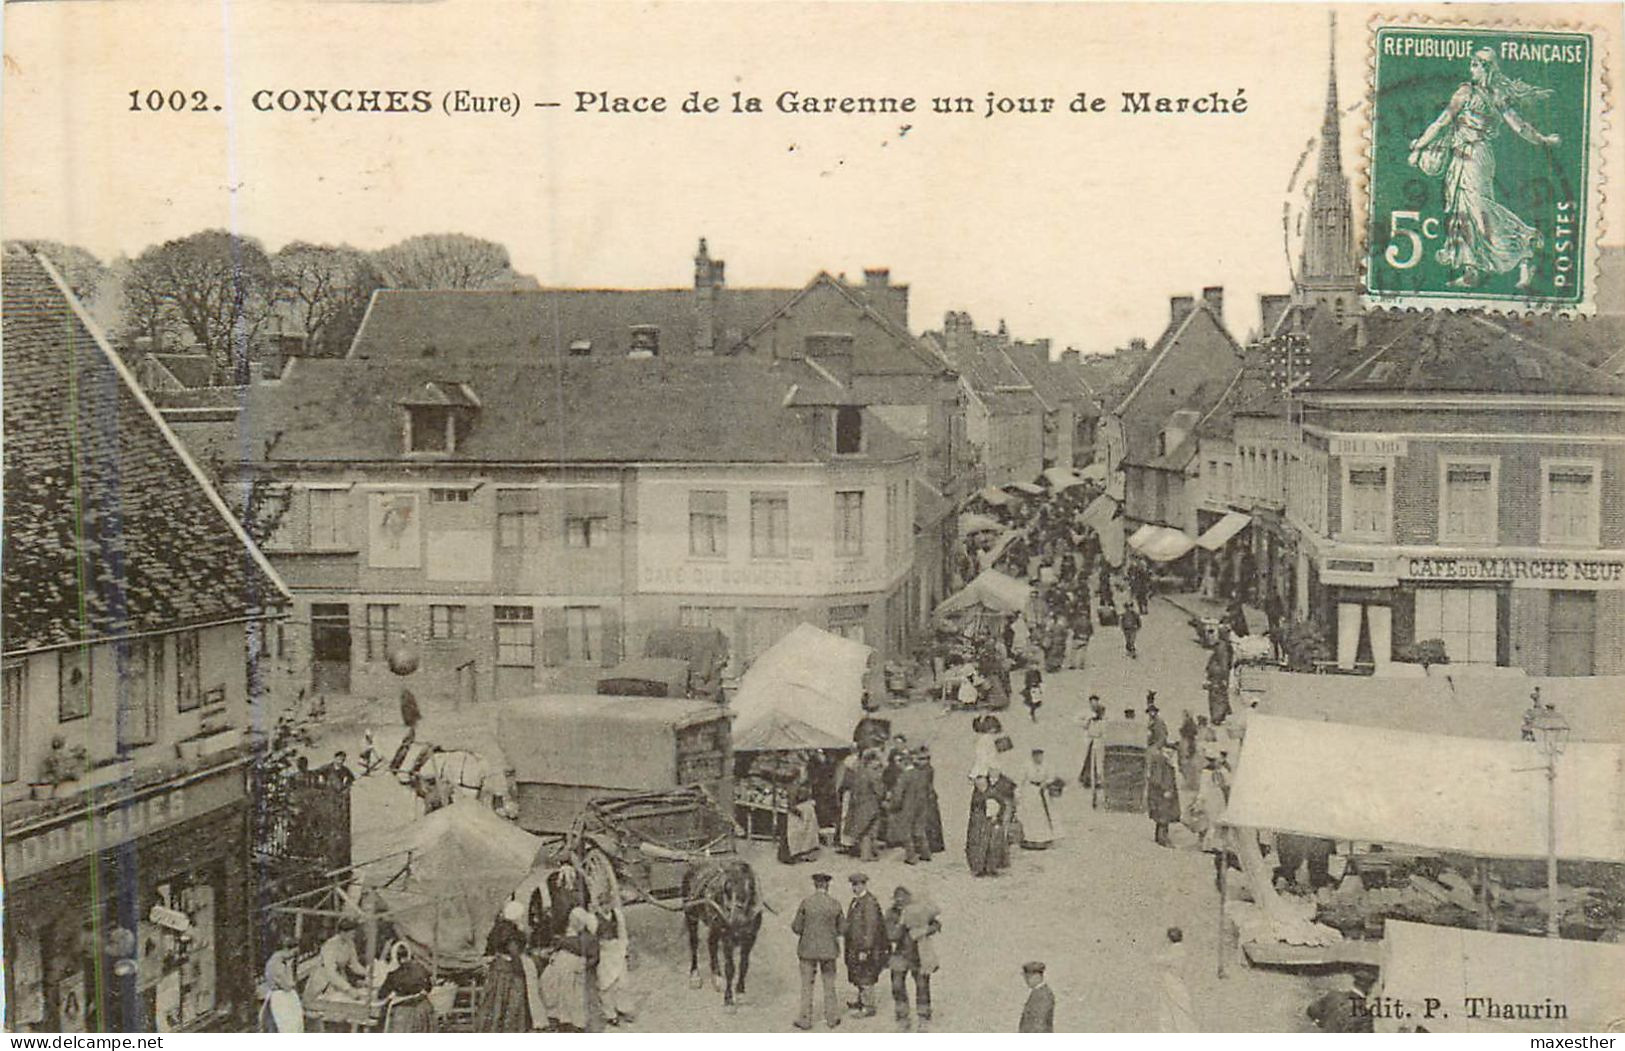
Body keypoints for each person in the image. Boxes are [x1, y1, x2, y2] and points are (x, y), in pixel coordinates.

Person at [1408, 47, 1558, 290]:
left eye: (1475, 65)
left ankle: (1526, 244)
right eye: (1471, 65)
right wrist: (1542, 139)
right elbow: (1443, 123)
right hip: (1462, 158)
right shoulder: (1479, 93)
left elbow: (1442, 123)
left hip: (1475, 157)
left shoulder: (1477, 94)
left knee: (1479, 210)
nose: (1472, 69)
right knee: (1461, 211)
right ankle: (1471, 272)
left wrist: (1418, 146)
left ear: (1485, 68)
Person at [790, 872, 844, 1030]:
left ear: (815, 885)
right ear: (828, 885)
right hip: (829, 951)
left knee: (807, 985)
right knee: (829, 984)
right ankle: (832, 1018)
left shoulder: (806, 903)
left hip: (807, 951)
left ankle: (805, 1019)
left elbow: (796, 927)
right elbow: (842, 928)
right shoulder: (835, 904)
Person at [886, 886, 938, 1032]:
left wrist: (926, 930)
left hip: (918, 954)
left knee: (922, 985)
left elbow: (935, 923)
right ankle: (902, 1017)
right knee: (897, 986)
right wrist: (902, 923)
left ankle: (923, 1018)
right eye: (898, 900)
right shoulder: (891, 914)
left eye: (904, 900)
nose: (901, 902)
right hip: (899, 954)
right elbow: (892, 935)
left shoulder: (918, 910)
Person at [476, 900, 533, 1032]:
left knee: (494, 1002)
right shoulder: (510, 931)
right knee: (509, 1003)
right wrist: (520, 972)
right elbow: (514, 952)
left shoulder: (499, 927)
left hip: (497, 968)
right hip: (508, 970)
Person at [542, 907, 599, 1033]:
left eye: (576, 921)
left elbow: (594, 957)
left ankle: (576, 1024)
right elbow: (555, 950)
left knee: (576, 998)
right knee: (562, 995)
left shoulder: (587, 938)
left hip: (576, 971)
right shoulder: (566, 937)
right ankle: (563, 1021)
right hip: (563, 971)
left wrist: (584, 965)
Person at [841, 873, 886, 1018]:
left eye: (857, 885)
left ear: (864, 885)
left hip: (865, 947)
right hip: (854, 945)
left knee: (866, 974)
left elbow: (871, 928)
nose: (855, 888)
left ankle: (868, 1007)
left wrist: (866, 949)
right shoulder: (856, 901)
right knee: (858, 973)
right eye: (853, 885)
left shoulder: (869, 902)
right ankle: (861, 1001)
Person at [301, 920, 368, 1017]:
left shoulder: (350, 944)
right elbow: (330, 972)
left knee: (339, 1008)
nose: (353, 935)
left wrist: (368, 973)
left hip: (338, 978)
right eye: (351, 933)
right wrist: (348, 989)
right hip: (323, 978)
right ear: (342, 932)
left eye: (354, 933)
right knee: (318, 1008)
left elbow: (354, 964)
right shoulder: (330, 945)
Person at [377, 941, 436, 1032]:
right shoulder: (421, 968)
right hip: (423, 1009)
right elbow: (429, 988)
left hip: (405, 1012)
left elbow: (381, 995)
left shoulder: (394, 974)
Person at [594, 902, 635, 1027]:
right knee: (606, 984)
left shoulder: (617, 914)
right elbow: (592, 937)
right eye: (603, 903)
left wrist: (626, 949)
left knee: (622, 982)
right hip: (603, 952)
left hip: (617, 950)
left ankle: (623, 1007)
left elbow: (622, 932)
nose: (606, 906)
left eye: (608, 902)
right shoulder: (593, 918)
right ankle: (610, 1014)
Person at [893, 752, 933, 865]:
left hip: (908, 806)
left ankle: (911, 857)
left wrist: (893, 806)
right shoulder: (922, 774)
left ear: (903, 763)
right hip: (922, 805)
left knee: (906, 831)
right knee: (919, 830)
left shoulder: (904, 776)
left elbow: (898, 795)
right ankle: (926, 853)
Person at [844, 751, 884, 862]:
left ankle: (866, 853)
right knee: (869, 830)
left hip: (859, 804)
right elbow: (878, 790)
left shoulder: (859, 772)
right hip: (870, 804)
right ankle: (866, 855)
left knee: (864, 830)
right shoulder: (872, 773)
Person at [1017, 748, 1060, 849]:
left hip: (1042, 791)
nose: (1038, 758)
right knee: (1031, 816)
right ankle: (1030, 839)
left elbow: (1052, 776)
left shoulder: (1047, 765)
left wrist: (1046, 782)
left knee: (1043, 816)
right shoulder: (1026, 765)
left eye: (1040, 756)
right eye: (1036, 756)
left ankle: (1045, 839)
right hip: (1030, 792)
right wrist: (1019, 793)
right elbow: (1020, 780)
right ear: (1033, 756)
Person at [1155, 928, 1197, 1032]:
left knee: (1171, 1010)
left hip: (1171, 982)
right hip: (1176, 982)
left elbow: (1160, 960)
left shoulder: (1175, 950)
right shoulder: (1182, 950)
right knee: (1179, 1008)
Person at [260, 939, 304, 1033]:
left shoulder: (278, 960)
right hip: (281, 997)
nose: (293, 956)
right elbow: (287, 985)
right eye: (293, 952)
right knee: (288, 1026)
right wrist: (289, 967)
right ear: (286, 950)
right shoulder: (277, 964)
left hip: (281, 995)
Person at [1147, 744, 1181, 848]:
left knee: (1164, 814)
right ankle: (1162, 838)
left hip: (1166, 791)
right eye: (1168, 750)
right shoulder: (1160, 760)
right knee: (1162, 815)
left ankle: (1161, 836)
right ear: (1163, 749)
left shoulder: (1168, 761)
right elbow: (1156, 778)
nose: (1170, 752)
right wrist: (1164, 789)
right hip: (1161, 792)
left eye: (1172, 751)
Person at [916, 746, 946, 856]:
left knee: (929, 821)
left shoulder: (927, 770)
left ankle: (932, 845)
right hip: (929, 797)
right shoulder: (926, 769)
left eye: (924, 759)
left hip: (927, 798)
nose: (923, 761)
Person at [1077, 696, 1107, 801]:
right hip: (1091, 741)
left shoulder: (1102, 722)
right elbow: (1083, 725)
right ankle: (1087, 778)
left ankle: (1098, 780)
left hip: (1098, 742)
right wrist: (1088, 720)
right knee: (1088, 760)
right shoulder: (1090, 719)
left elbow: (1104, 733)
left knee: (1098, 761)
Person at [390, 687, 422, 772]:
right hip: (411, 726)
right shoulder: (409, 703)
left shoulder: (406, 704)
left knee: (405, 747)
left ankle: (394, 767)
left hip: (411, 726)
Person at [1018, 961, 1054, 1032]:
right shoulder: (1037, 992)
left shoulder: (1044, 995)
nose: (1026, 980)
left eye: (1028, 977)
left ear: (1037, 976)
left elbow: (1040, 1022)